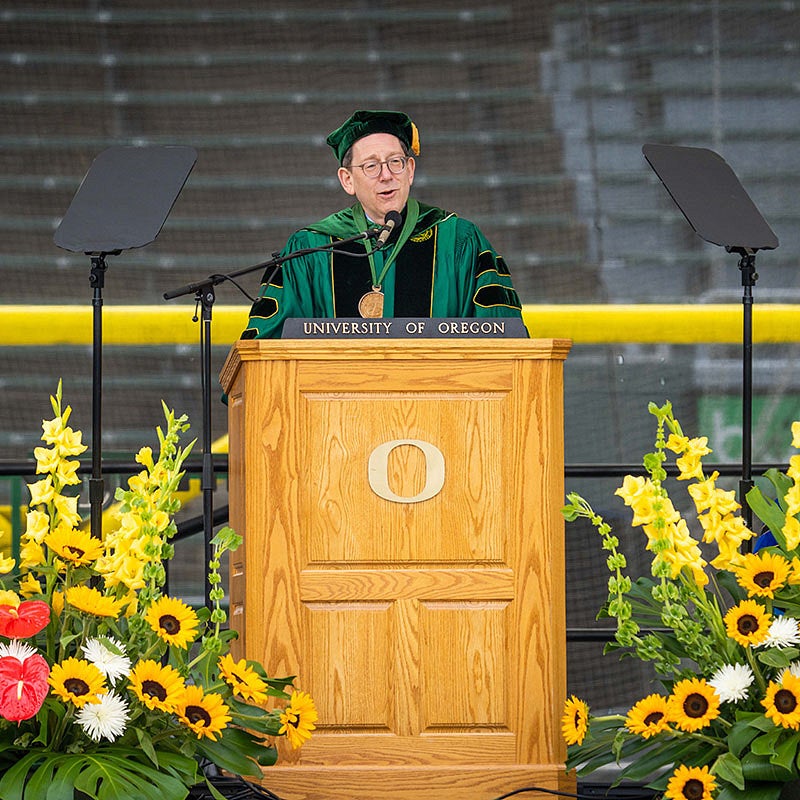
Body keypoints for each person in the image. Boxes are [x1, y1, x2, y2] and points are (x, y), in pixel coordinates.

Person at [241, 109, 524, 338]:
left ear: (410, 170)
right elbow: (266, 348)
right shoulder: (312, 248)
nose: (386, 175)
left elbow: (502, 337)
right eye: (371, 166)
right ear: (347, 180)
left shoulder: (458, 240)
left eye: (395, 162)